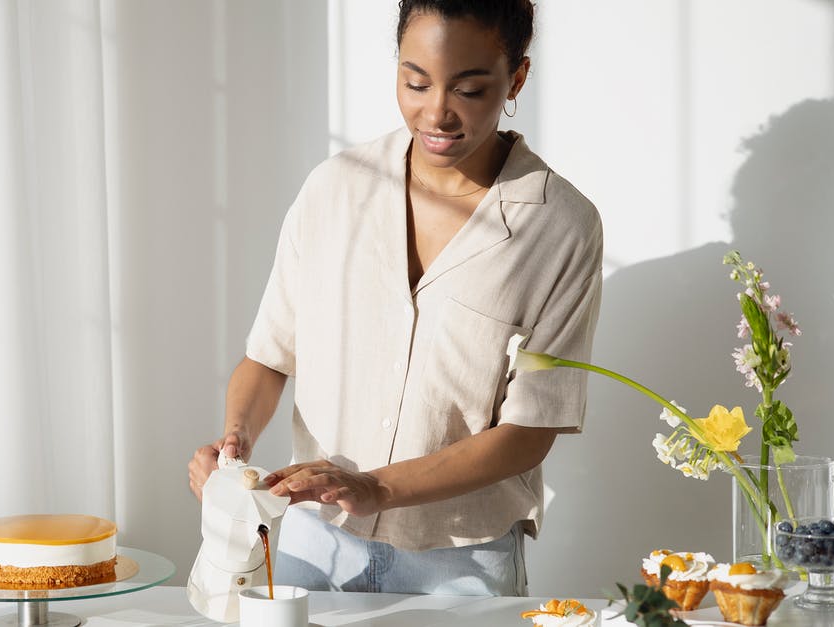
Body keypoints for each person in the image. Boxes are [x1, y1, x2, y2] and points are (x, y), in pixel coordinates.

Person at [188, 0, 602, 596]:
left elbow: (530, 430)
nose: (436, 112)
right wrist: (236, 443)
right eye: (416, 82)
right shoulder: (334, 190)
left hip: (462, 563)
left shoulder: (560, 225)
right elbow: (269, 356)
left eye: (469, 89)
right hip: (312, 542)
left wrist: (377, 488)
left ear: (516, 79)